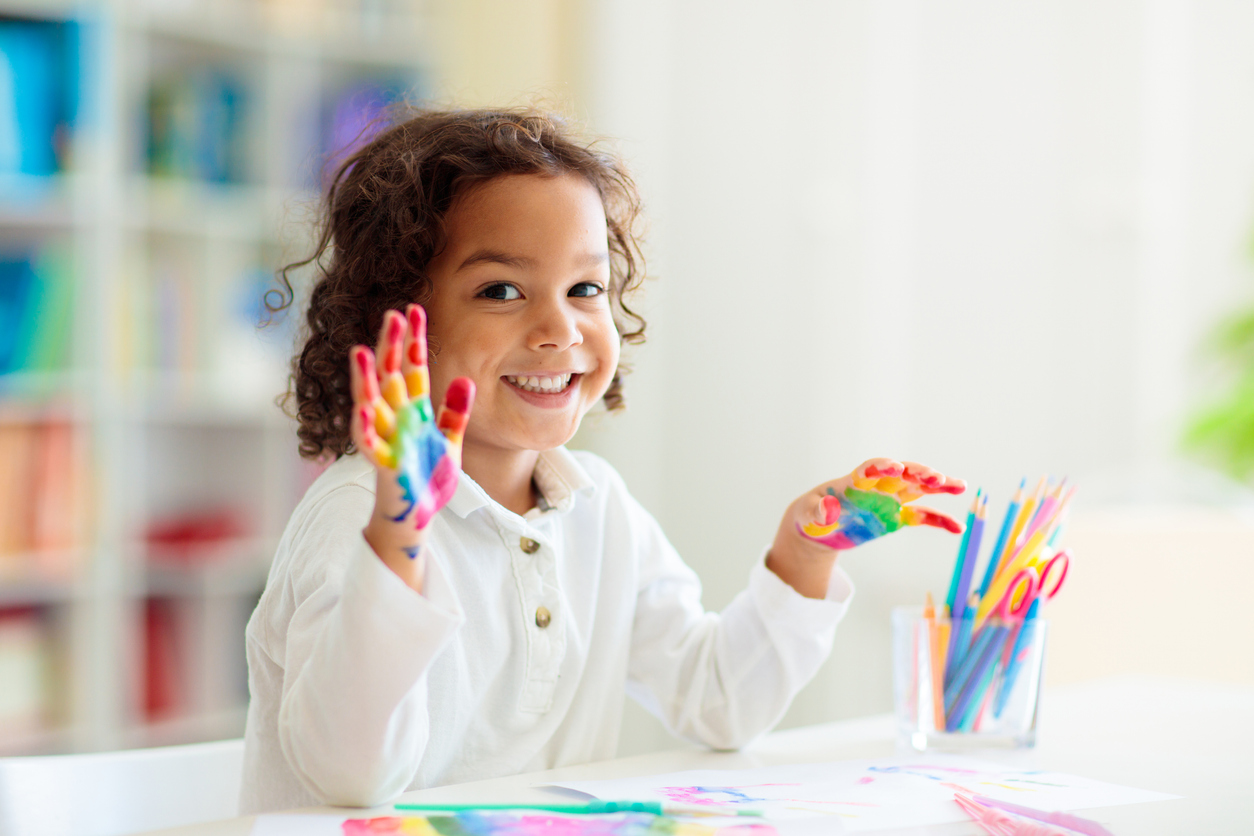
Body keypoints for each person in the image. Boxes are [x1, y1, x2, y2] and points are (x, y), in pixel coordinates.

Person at [239, 107, 966, 814]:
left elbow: (718, 704)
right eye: (501, 291)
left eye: (585, 288)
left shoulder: (600, 508)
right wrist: (396, 543)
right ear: (397, 324)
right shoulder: (355, 515)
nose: (560, 328)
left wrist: (803, 559)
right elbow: (349, 778)